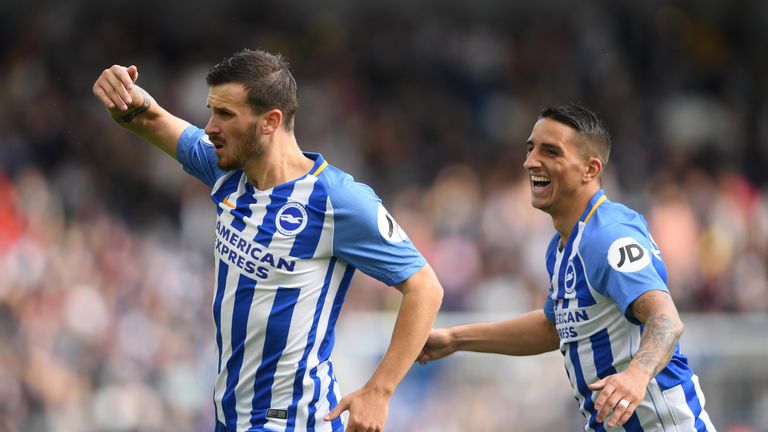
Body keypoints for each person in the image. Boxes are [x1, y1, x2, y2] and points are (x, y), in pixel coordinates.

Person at [93, 48, 443, 432]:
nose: (210, 126)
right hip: (232, 420)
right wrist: (123, 96)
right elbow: (150, 119)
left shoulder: (336, 200)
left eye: (226, 115)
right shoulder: (227, 170)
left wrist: (380, 391)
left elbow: (424, 287)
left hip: (292, 422)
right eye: (212, 111)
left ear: (270, 121)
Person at [418, 104, 716, 430]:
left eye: (551, 151)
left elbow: (666, 320)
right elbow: (553, 326)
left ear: (590, 169)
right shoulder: (562, 246)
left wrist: (637, 374)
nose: (531, 162)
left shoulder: (610, 235)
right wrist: (454, 339)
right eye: (530, 149)